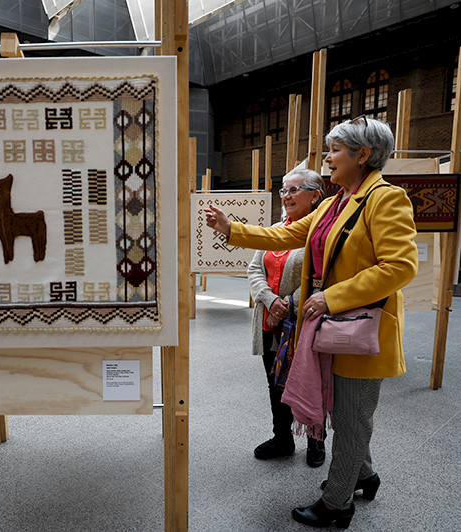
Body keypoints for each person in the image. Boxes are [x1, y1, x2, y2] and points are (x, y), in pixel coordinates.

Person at [205, 116, 417, 529]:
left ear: (363, 154)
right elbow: (286, 235)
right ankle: (365, 475)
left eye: (335, 150)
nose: (328, 158)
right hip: (333, 327)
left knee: (352, 418)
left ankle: (338, 504)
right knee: (344, 410)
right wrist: (233, 230)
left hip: (360, 328)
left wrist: (330, 296)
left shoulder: (385, 199)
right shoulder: (336, 202)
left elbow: (400, 267)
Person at [247, 169, 325, 467]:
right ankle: (283, 438)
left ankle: (315, 441)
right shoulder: (277, 228)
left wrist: (289, 303)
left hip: (301, 323)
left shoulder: (320, 233)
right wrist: (270, 300)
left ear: (315, 195)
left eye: (294, 190)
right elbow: (254, 270)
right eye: (283, 190)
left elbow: (323, 279)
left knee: (308, 382)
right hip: (270, 321)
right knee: (275, 382)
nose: (286, 196)